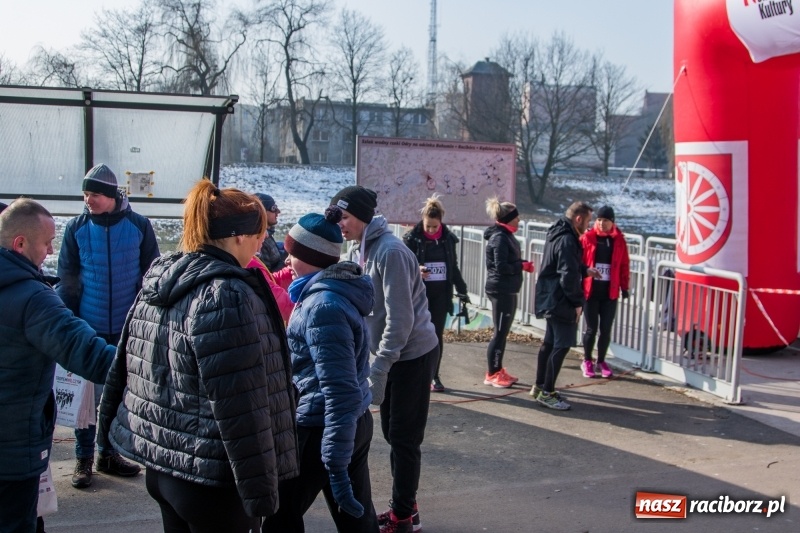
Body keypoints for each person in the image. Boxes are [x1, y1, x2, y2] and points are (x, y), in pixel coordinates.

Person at [97, 180, 298, 532]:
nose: (264, 241)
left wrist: (104, 439)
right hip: (212, 481)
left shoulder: (162, 278)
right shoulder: (227, 295)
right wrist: (262, 494)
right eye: (260, 234)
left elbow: (123, 367)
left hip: (164, 468)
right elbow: (242, 404)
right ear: (238, 237)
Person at [0, 198, 116, 533]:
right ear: (21, 243)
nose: (51, 251)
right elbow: (91, 356)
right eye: (47, 242)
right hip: (13, 452)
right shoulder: (34, 299)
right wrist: (150, 365)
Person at [263, 207, 378, 532]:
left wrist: (335, 460)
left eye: (292, 253)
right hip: (347, 423)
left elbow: (339, 390)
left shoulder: (322, 308)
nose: (286, 260)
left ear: (311, 257)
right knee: (356, 519)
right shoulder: (323, 295)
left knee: (279, 517)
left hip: (321, 429)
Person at [332, 185, 438, 533]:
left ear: (361, 217)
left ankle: (404, 517)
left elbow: (401, 319)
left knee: (404, 439)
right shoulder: (361, 248)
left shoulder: (390, 252)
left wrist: (380, 365)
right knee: (393, 433)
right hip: (391, 356)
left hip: (412, 354)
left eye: (344, 216)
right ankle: (407, 506)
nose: (340, 223)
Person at [56, 163, 159, 489]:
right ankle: (84, 458)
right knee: (85, 399)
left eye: (95, 194)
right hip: (88, 328)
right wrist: (69, 324)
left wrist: (146, 320)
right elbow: (67, 280)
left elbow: (151, 277)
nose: (89, 199)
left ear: (112, 195)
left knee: (118, 394)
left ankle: (107, 453)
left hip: (128, 329)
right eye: (86, 194)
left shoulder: (139, 226)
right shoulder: (76, 228)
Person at [532, 201, 599, 410]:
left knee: (549, 343)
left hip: (550, 297)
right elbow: (567, 275)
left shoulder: (556, 231)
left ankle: (539, 385)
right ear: (578, 219)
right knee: (561, 345)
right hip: (560, 300)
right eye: (588, 221)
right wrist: (578, 302)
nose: (589, 227)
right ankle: (548, 392)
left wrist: (584, 269)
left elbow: (565, 264)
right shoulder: (568, 240)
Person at [403, 195, 469, 392]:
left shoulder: (448, 239)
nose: (431, 230)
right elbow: (404, 266)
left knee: (437, 336)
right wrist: (417, 269)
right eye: (428, 226)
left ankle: (435, 375)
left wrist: (462, 289)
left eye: (434, 226)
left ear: (441, 222)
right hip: (418, 296)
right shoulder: (411, 238)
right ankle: (413, 374)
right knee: (414, 335)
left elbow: (453, 267)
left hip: (441, 295)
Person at [482, 198, 534, 388]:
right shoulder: (500, 238)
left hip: (508, 289)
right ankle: (492, 373)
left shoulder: (506, 236)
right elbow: (501, 266)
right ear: (508, 219)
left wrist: (522, 265)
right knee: (499, 332)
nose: (519, 221)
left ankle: (497, 369)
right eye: (517, 218)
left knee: (503, 332)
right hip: (500, 289)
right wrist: (521, 265)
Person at [580, 205, 631, 378]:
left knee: (606, 329)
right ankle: (587, 360)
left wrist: (625, 287)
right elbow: (579, 261)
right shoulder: (588, 237)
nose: (601, 223)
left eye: (606, 221)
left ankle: (601, 360)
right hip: (591, 291)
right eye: (599, 220)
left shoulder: (619, 240)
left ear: (612, 222)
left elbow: (624, 265)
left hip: (610, 292)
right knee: (591, 328)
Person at [255, 193, 288, 271]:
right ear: (261, 212)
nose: (278, 211)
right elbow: (267, 275)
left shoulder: (268, 233)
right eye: (273, 208)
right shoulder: (260, 241)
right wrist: (287, 257)